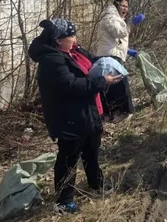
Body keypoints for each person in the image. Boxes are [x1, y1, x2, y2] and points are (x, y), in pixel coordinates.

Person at [29, 18, 123, 214]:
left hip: (87, 113)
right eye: (71, 35)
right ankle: (63, 201)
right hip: (69, 118)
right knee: (68, 159)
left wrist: (112, 62)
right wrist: (102, 81)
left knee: (92, 152)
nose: (75, 38)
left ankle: (96, 184)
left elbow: (93, 62)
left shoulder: (74, 52)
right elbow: (72, 86)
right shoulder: (52, 60)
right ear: (58, 40)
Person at [97, 0, 143, 123]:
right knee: (120, 83)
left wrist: (128, 51)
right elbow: (119, 33)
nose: (125, 9)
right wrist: (131, 24)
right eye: (123, 6)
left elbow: (115, 41)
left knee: (114, 85)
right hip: (109, 56)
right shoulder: (109, 17)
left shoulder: (117, 18)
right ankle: (124, 111)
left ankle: (116, 112)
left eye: (127, 6)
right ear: (116, 6)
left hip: (113, 54)